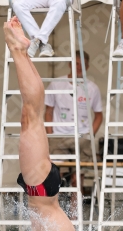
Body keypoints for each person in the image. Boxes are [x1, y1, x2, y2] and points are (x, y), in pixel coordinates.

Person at [4, 17, 77, 231]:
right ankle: (19, 52)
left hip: (43, 195)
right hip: (42, 195)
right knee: (31, 117)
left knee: (31, 116)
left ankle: (21, 53)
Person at [44, 51, 103, 196]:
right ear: (70, 64)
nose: (78, 67)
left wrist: (90, 135)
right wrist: (50, 135)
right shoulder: (56, 84)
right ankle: (57, 213)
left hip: (81, 138)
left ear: (87, 67)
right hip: (59, 137)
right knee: (57, 177)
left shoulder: (92, 88)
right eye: (76, 63)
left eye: (82, 64)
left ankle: (76, 215)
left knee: (78, 178)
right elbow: (48, 111)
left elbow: (99, 115)